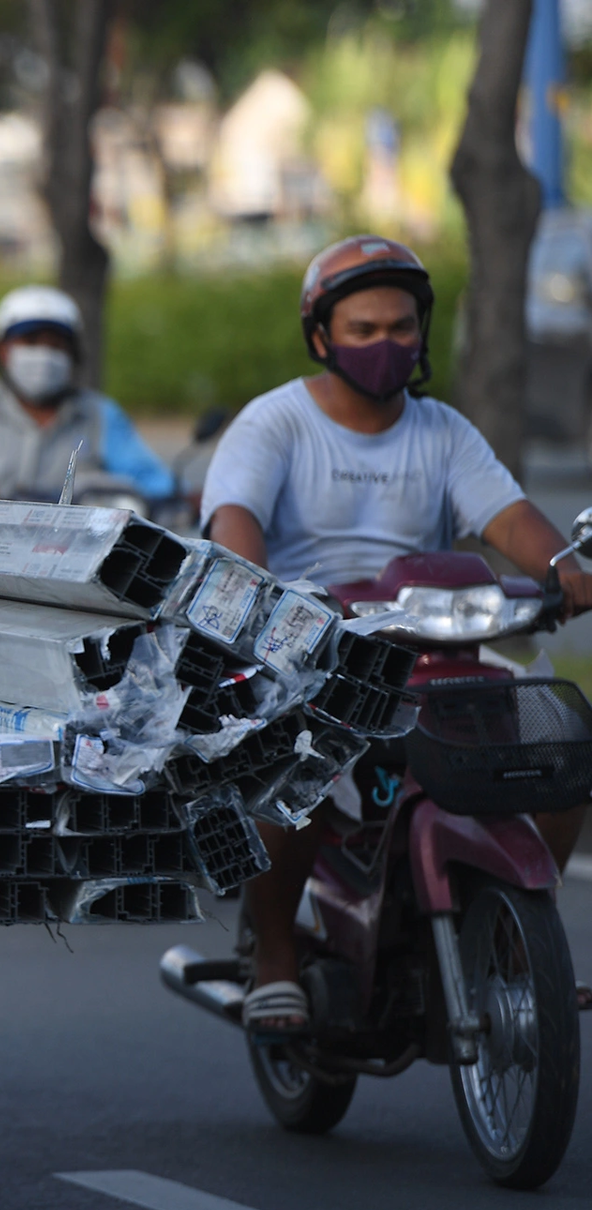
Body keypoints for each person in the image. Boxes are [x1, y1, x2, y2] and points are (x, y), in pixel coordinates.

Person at [201, 234, 592, 1034]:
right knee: (290, 766)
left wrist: (565, 565)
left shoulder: (443, 431)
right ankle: (274, 949)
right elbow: (232, 518)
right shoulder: (274, 423)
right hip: (316, 645)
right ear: (321, 336)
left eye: (401, 329)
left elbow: (509, 516)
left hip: (436, 639)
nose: (386, 346)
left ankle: (519, 926)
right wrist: (266, 600)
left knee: (558, 737)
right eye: (364, 330)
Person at [0, 285, 176, 504]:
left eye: (56, 345)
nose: (44, 356)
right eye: (30, 342)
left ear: (73, 355)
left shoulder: (100, 415)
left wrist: (180, 496)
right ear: (1, 350)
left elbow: (151, 483)